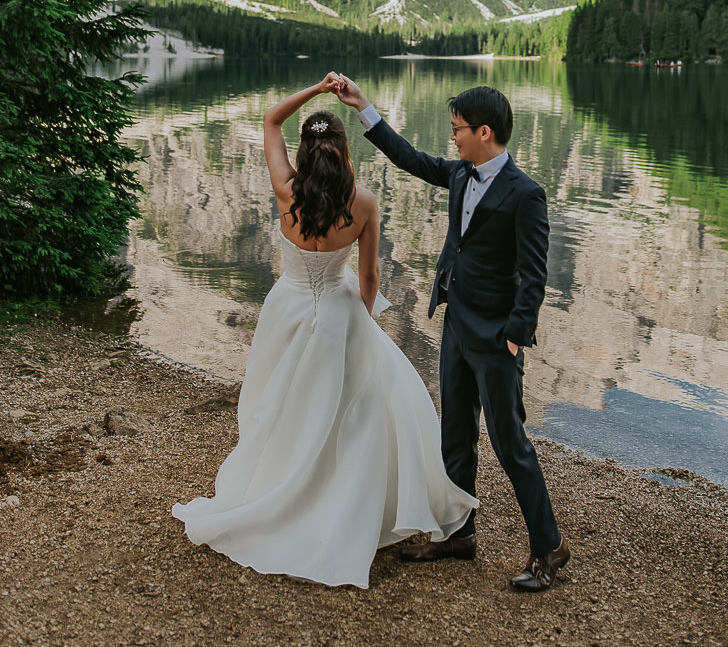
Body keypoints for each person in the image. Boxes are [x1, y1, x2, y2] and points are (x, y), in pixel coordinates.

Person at [172, 74, 477, 589]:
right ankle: (347, 500)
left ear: (306, 150)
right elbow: (370, 277)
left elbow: (270, 119)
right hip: (338, 310)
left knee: (286, 407)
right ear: (341, 151)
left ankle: (281, 488)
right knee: (353, 412)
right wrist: (360, 319)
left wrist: (315, 91)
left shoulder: (284, 187)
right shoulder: (363, 203)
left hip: (287, 308)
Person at [335, 77, 570, 592]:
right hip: (457, 325)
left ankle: (548, 546)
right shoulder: (462, 175)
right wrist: (364, 109)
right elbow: (411, 159)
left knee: (511, 445)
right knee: (455, 437)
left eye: (459, 129)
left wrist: (513, 337)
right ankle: (459, 533)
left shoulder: (526, 194)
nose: (453, 138)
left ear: (485, 132)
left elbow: (534, 277)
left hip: (496, 340)